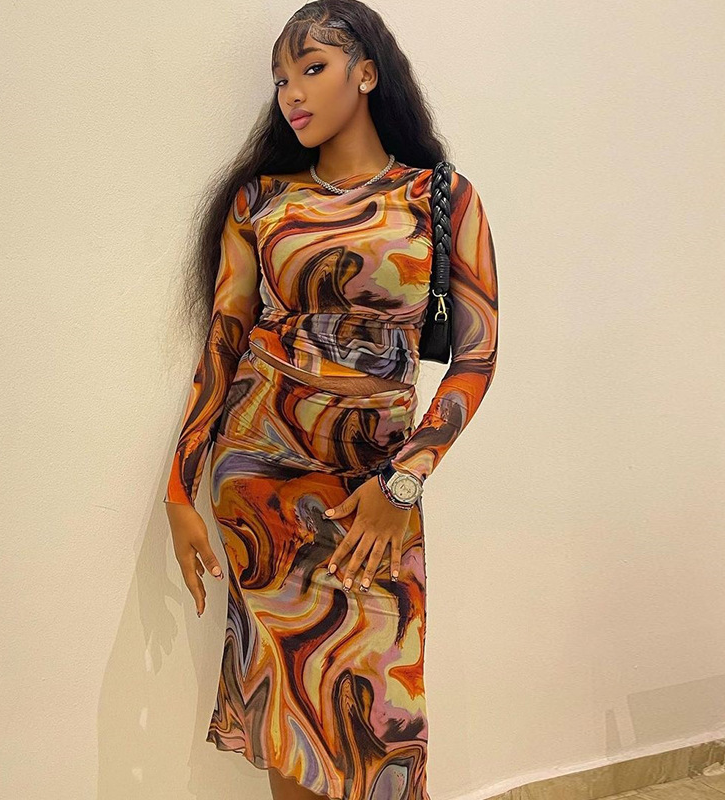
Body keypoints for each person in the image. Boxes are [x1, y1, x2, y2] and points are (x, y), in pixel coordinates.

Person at [164, 2, 499, 798]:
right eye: (280, 79)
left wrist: (403, 481)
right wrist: (180, 488)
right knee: (290, 722)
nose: (292, 93)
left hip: (377, 490)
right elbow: (223, 346)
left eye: (311, 69)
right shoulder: (259, 200)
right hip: (261, 483)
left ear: (367, 73)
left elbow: (476, 358)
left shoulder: (441, 198)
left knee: (382, 725)